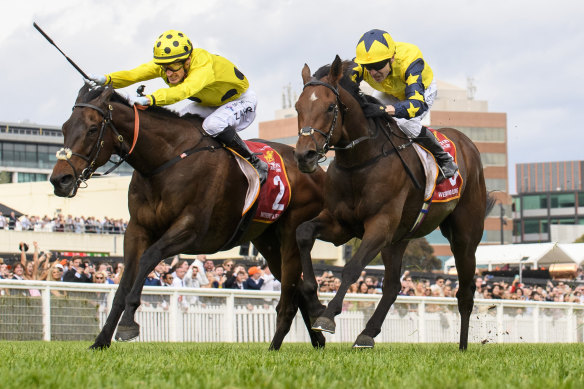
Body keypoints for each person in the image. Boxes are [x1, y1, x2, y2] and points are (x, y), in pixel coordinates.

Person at [87, 29, 268, 183]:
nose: (168, 73)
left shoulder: (203, 63)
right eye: (165, 68)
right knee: (178, 123)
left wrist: (151, 99)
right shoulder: (168, 64)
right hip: (210, 104)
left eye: (173, 67)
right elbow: (134, 74)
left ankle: (254, 162)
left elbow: (184, 90)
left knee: (213, 125)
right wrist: (107, 79)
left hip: (240, 101)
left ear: (187, 60)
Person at [352, 29, 458, 181]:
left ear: (392, 58)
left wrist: (384, 110)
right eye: (369, 67)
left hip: (421, 92)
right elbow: (341, 81)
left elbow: (416, 105)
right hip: (390, 90)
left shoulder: (410, 60)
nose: (373, 72)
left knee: (405, 123)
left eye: (379, 65)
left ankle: (445, 160)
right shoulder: (360, 65)